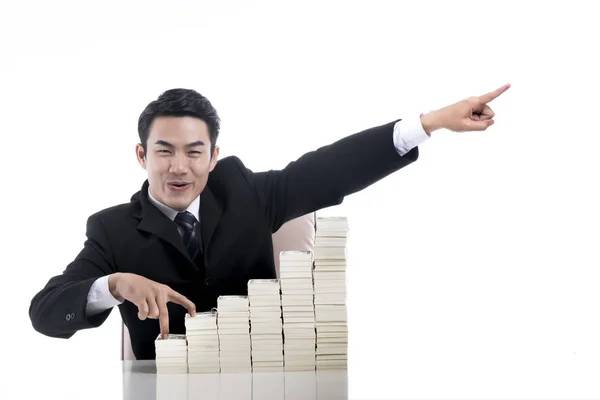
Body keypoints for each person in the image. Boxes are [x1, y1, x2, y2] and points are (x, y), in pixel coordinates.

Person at [29, 84, 510, 360]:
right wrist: (112, 285)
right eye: (164, 151)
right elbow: (45, 311)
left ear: (214, 157)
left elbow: (328, 170)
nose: (179, 167)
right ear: (141, 155)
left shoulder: (244, 192)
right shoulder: (111, 229)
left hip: (265, 376)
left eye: (195, 152)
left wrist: (427, 124)